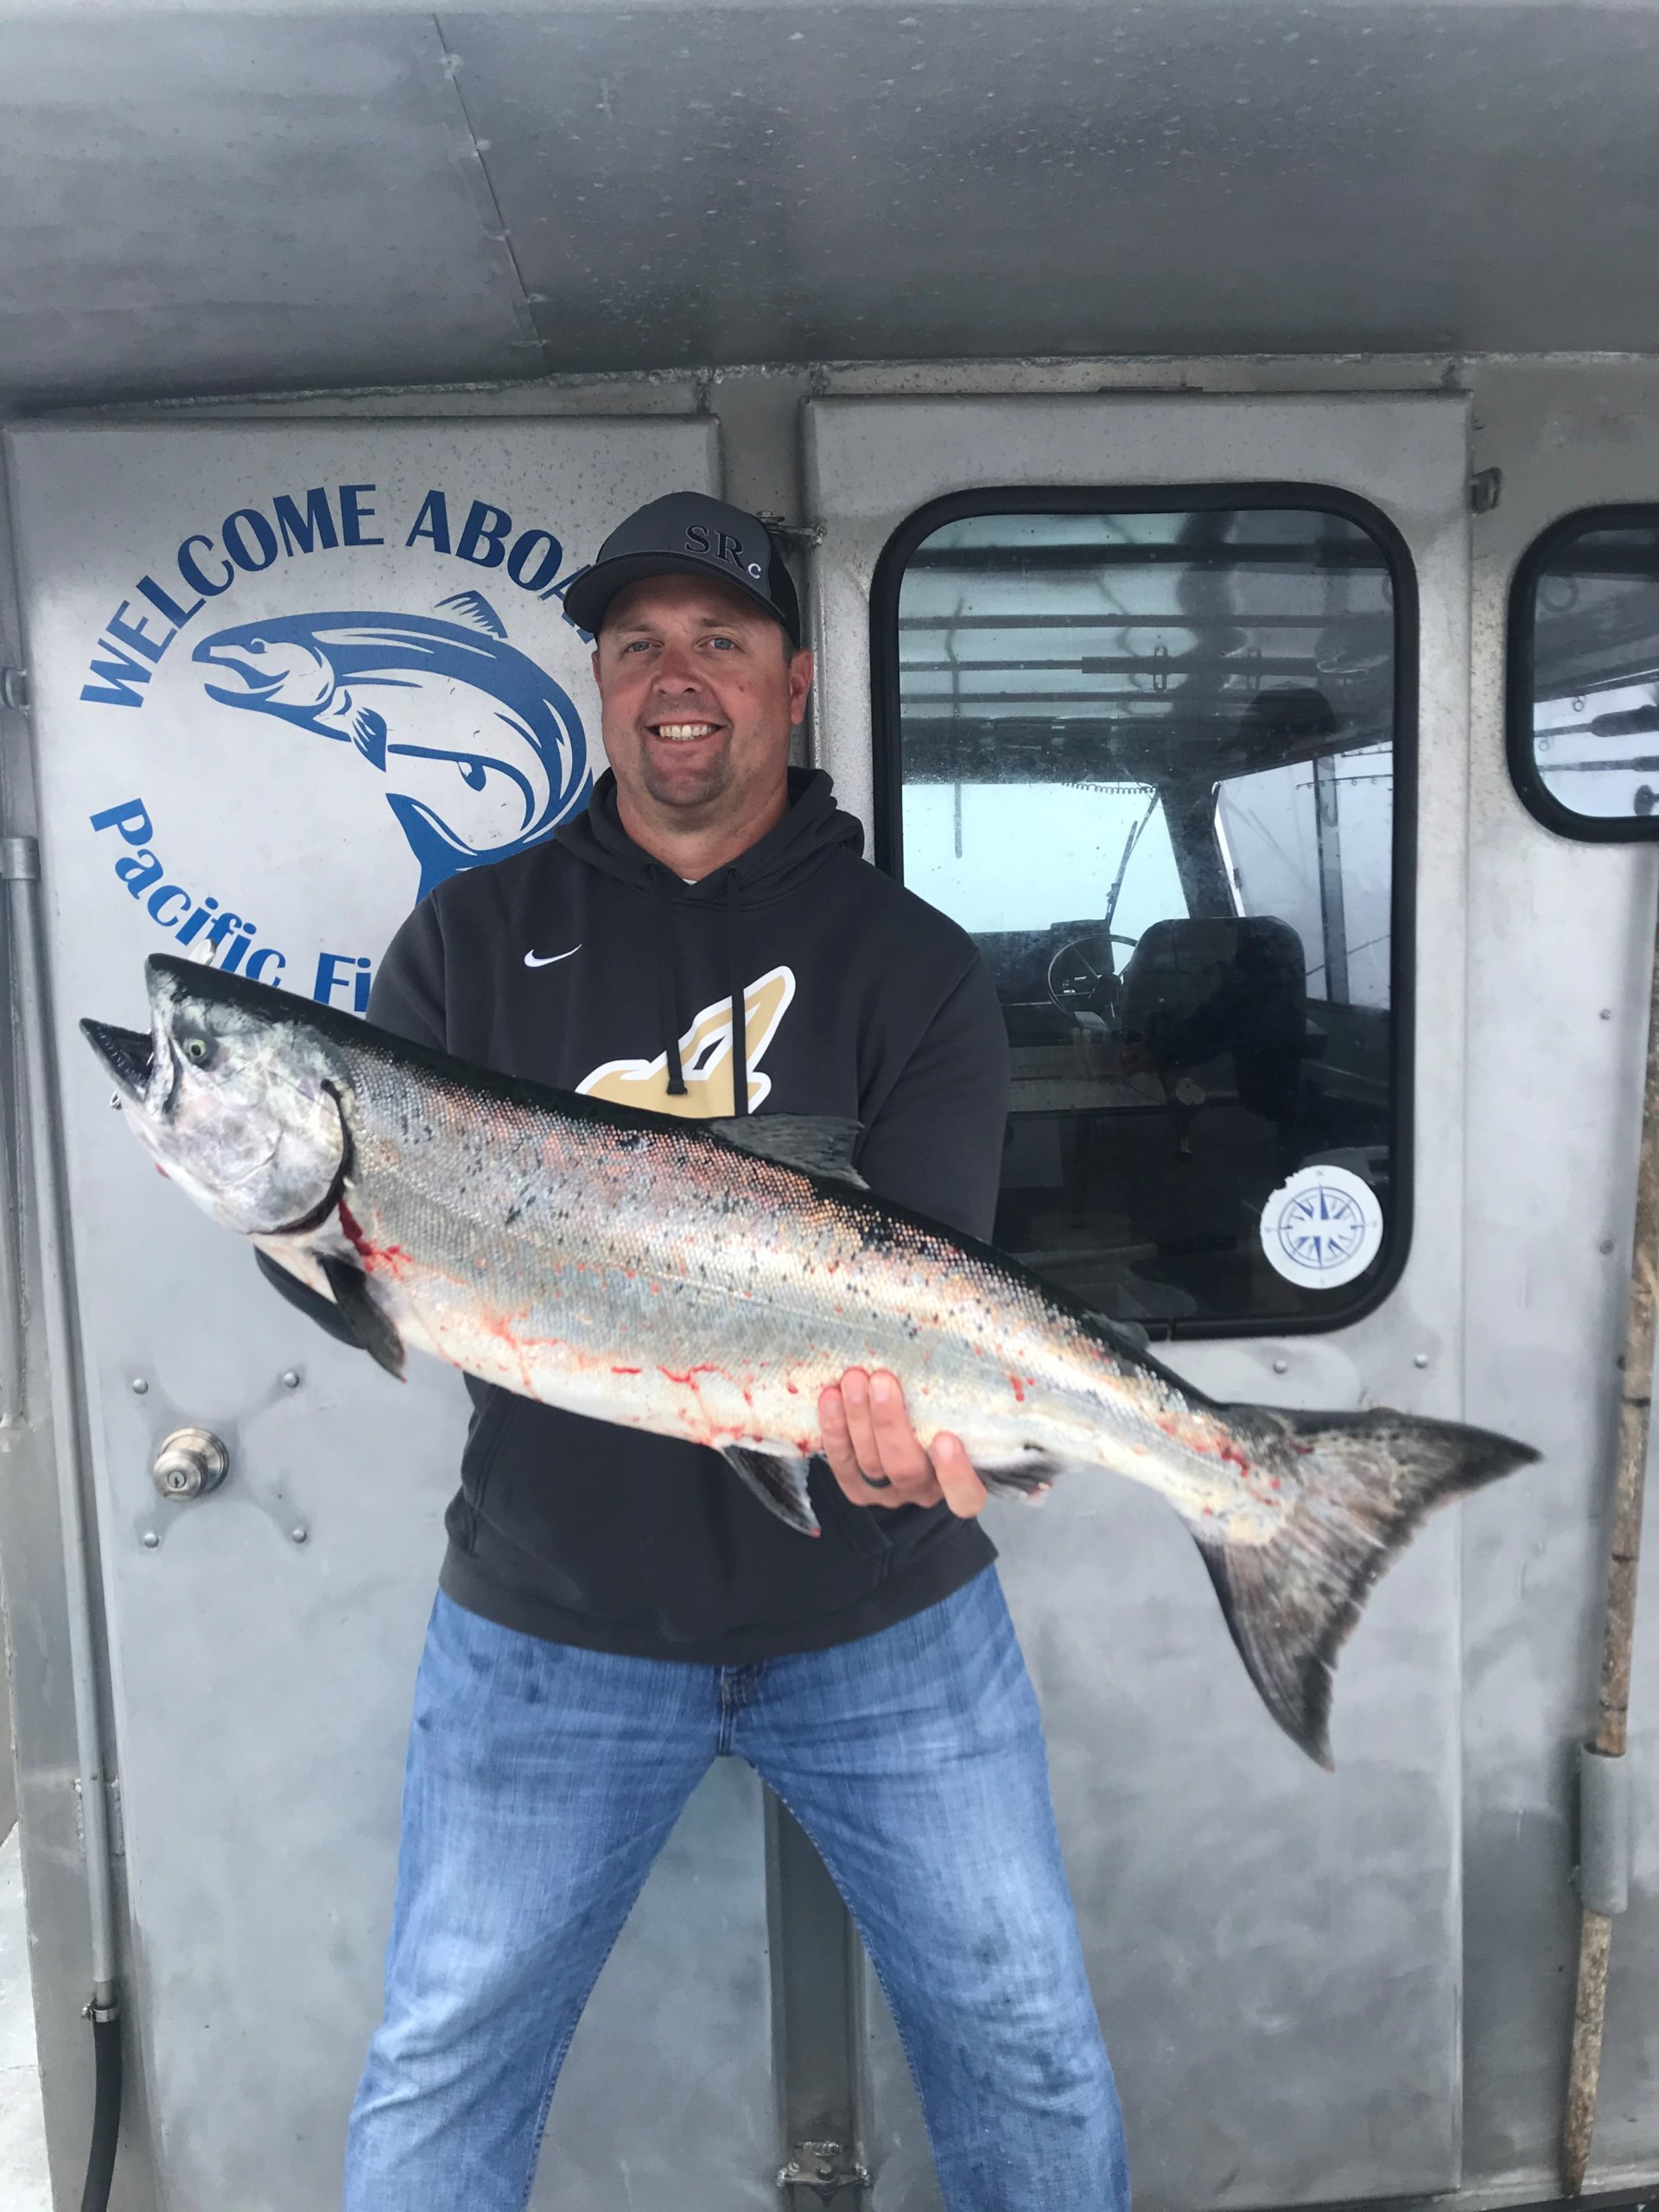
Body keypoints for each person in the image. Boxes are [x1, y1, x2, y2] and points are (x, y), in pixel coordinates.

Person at [264, 492, 1129, 2209]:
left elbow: (917, 1273)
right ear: (598, 681)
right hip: (551, 1618)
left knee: (1026, 2036)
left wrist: (912, 1430)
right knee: (444, 2045)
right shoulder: (463, 941)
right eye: (637, 643)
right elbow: (383, 1279)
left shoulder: (912, 962)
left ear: (793, 682)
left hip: (887, 1613)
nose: (679, 679)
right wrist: (306, 1232)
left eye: (720, 642)